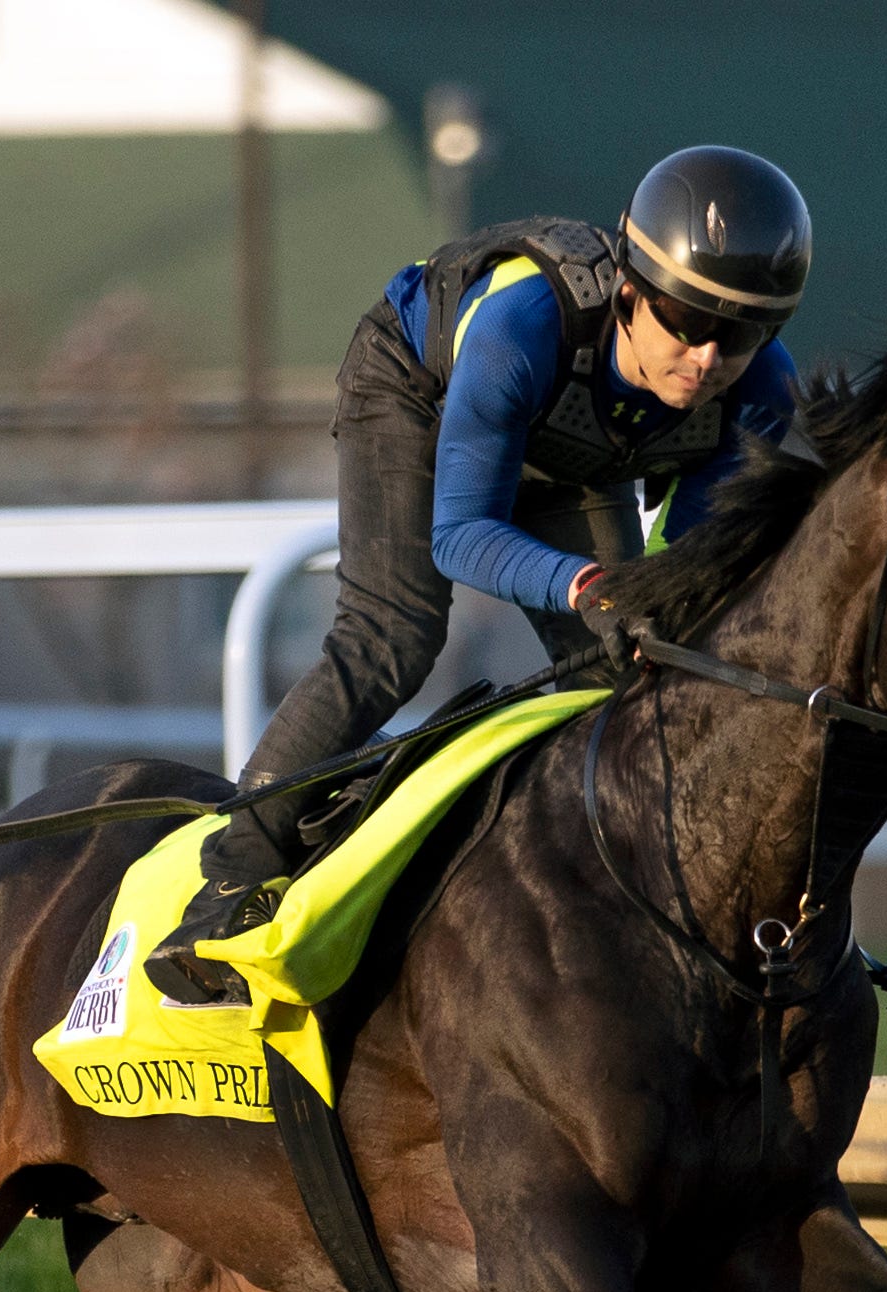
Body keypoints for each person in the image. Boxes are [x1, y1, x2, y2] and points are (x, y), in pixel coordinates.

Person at [146, 144, 813, 1006]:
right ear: (629, 295)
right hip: (422, 392)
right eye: (686, 321)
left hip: (573, 439)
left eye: (743, 335)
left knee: (636, 670)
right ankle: (229, 881)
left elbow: (680, 571)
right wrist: (583, 586)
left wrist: (649, 605)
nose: (708, 357)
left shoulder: (762, 388)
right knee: (394, 634)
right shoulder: (518, 331)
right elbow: (460, 536)